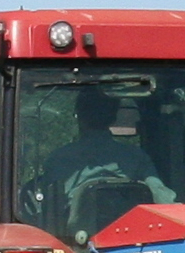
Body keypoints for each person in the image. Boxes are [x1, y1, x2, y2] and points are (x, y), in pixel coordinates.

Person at [36, 85, 174, 233]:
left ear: (79, 115)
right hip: (130, 238)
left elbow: (48, 213)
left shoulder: (58, 158)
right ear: (114, 117)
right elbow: (163, 199)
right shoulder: (136, 156)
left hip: (76, 241)